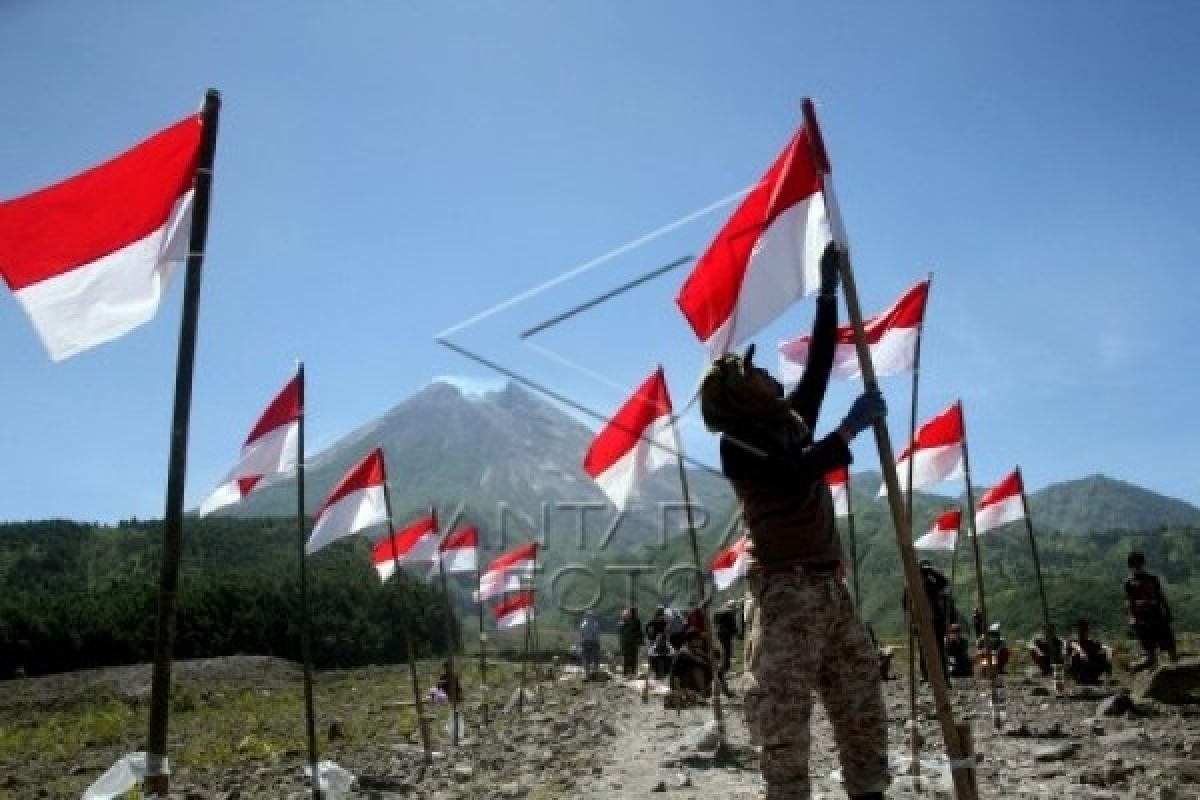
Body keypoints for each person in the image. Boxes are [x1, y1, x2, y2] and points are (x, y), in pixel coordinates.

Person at [700, 243, 890, 800]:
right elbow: (791, 473)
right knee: (783, 729)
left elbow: (820, 363)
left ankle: (870, 791)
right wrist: (848, 433)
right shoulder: (739, 445)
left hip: (832, 590)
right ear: (739, 396)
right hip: (785, 596)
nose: (767, 373)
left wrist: (827, 294)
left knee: (861, 707)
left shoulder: (790, 422)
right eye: (755, 372)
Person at [1125, 551, 1177, 667]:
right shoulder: (1129, 583)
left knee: (1168, 639)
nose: (1137, 566)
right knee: (1148, 642)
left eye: (1139, 563)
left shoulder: (1153, 578)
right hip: (1142, 616)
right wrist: (1132, 617)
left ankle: (1174, 664)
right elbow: (1130, 602)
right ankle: (1153, 662)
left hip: (1156, 613)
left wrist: (1167, 610)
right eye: (1134, 564)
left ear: (1143, 563)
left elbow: (1160, 595)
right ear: (1131, 566)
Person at [903, 560, 951, 680]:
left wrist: (931, 571)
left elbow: (945, 582)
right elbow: (906, 605)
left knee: (939, 649)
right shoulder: (911, 587)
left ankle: (943, 675)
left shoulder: (932, 585)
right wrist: (912, 622)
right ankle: (926, 675)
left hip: (936, 622)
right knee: (924, 650)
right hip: (920, 623)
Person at [1066, 619, 1112, 686]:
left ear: (1087, 631)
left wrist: (1108, 651)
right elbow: (1074, 645)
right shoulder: (1072, 642)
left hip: (1090, 670)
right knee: (1074, 655)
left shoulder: (1091, 643)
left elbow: (1104, 647)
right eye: (1080, 630)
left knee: (1103, 655)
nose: (1081, 633)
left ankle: (1103, 681)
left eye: (1084, 630)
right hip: (1078, 673)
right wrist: (1081, 652)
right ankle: (1075, 681)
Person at [672, 629, 716, 695]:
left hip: (689, 681)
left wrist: (707, 657)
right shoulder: (684, 651)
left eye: (700, 639)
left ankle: (705, 690)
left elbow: (710, 665)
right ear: (691, 640)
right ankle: (702, 692)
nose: (701, 641)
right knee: (697, 669)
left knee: (710, 669)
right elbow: (700, 662)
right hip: (679, 683)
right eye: (698, 639)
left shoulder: (696, 650)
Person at [713, 600, 741, 687]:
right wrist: (738, 634)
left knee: (724, 651)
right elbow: (733, 625)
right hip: (726, 634)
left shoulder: (719, 611)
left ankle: (722, 670)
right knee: (727, 652)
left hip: (719, 633)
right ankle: (721, 673)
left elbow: (715, 622)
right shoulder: (729, 613)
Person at [617, 607, 645, 676]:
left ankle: (626, 672)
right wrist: (641, 641)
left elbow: (621, 632)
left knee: (627, 657)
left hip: (626, 642)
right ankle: (632, 672)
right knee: (633, 658)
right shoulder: (636, 621)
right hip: (632, 642)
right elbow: (639, 632)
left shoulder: (624, 621)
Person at [580, 610, 601, 677]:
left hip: (585, 642)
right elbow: (597, 635)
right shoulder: (595, 624)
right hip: (593, 642)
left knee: (586, 658)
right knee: (596, 657)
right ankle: (595, 671)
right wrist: (598, 643)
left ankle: (587, 673)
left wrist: (582, 642)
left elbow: (582, 635)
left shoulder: (582, 624)